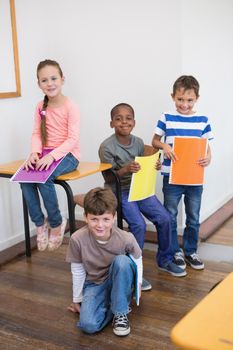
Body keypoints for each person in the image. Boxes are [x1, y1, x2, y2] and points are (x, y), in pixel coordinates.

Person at [98, 103, 186, 292]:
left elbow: (144, 167)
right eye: (118, 118)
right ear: (111, 123)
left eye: (128, 118)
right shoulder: (106, 146)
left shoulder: (138, 142)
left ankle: (165, 260)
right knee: (138, 224)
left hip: (139, 188)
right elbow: (108, 177)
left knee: (164, 218)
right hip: (119, 190)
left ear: (134, 122)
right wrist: (126, 169)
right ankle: (133, 270)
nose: (124, 122)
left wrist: (154, 165)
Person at [152, 75, 213, 271]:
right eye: (180, 99)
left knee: (193, 216)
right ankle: (173, 251)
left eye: (189, 100)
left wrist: (209, 158)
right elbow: (155, 141)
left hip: (195, 178)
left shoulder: (202, 120)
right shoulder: (166, 117)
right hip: (172, 177)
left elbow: (206, 146)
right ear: (173, 97)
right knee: (170, 215)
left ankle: (190, 251)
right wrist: (164, 147)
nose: (184, 104)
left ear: (197, 99)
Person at [20, 59, 80, 252]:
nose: (50, 83)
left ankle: (56, 222)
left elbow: (72, 139)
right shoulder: (40, 106)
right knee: (25, 179)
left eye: (53, 78)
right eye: (44, 80)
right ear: (39, 84)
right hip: (46, 154)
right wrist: (34, 154)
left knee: (44, 178)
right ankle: (40, 223)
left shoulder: (71, 106)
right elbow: (37, 133)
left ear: (62, 79)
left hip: (68, 155)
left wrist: (52, 156)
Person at [66, 187, 142, 336]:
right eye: (94, 219)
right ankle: (117, 302)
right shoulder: (76, 239)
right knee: (88, 325)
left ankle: (120, 312)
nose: (100, 225)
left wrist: (138, 283)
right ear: (86, 217)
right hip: (94, 283)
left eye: (106, 219)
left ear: (113, 217)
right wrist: (77, 299)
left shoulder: (126, 238)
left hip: (118, 277)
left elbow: (137, 259)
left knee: (122, 261)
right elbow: (78, 270)